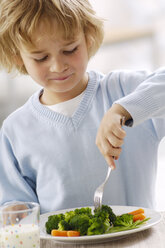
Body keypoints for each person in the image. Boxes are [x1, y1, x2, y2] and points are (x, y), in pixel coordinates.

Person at [0, 0, 165, 214]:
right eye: (41, 58)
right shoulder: (15, 130)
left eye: (70, 50)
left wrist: (122, 110)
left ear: (88, 39)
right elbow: (14, 205)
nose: (58, 66)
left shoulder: (124, 90)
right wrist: (15, 210)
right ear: (17, 56)